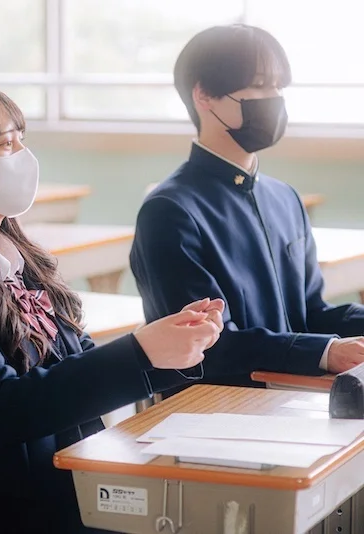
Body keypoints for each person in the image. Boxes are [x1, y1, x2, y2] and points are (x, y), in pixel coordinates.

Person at [0, 81, 224, 533]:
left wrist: (171, 348)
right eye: (5, 144)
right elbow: (5, 409)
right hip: (1, 516)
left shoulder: (24, 261)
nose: (23, 155)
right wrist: (141, 350)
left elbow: (76, 365)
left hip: (72, 493)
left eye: (21, 139)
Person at [130, 24, 364, 397]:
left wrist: (335, 342)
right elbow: (206, 344)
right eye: (258, 86)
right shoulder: (169, 211)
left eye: (278, 86)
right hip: (217, 408)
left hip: (290, 396)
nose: (274, 99)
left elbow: (310, 312)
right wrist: (326, 351)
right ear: (204, 95)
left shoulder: (284, 197)